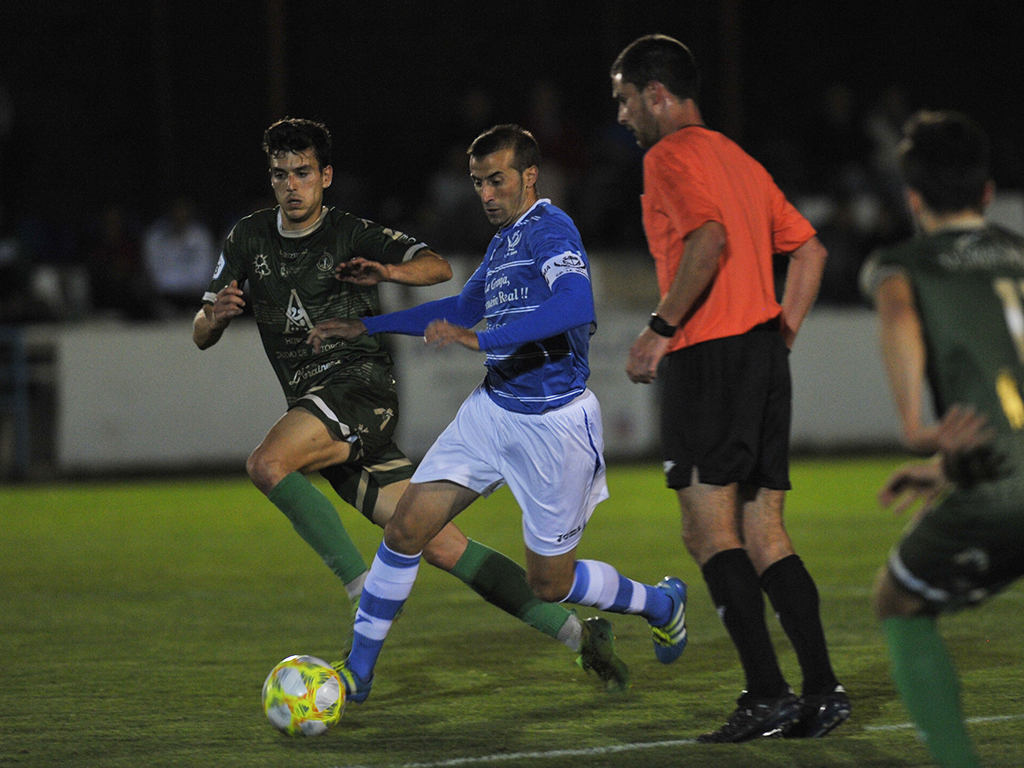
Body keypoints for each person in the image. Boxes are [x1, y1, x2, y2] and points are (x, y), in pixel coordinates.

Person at [192, 118, 627, 693]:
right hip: (316, 405)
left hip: (358, 389)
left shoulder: (352, 231)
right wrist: (215, 318)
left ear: (325, 176)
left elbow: (439, 268)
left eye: (303, 173)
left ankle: (359, 591)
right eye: (280, 175)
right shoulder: (247, 238)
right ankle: (576, 635)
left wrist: (394, 275)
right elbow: (200, 332)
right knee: (436, 543)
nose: (292, 186)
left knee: (267, 464)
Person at [311, 124, 689, 704]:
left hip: (553, 425)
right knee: (407, 526)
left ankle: (661, 602)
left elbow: (575, 303)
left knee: (550, 583)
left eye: (497, 180)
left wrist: (486, 340)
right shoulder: (504, 242)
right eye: (477, 183)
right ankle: (358, 674)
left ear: (528, 176)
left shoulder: (549, 228)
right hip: (492, 409)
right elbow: (463, 307)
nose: (486, 194)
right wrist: (370, 323)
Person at [610, 34, 848, 742]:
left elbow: (706, 242)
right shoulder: (739, 159)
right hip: (763, 357)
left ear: (657, 94)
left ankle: (767, 693)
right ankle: (822, 692)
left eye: (624, 100)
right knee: (764, 530)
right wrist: (784, 334)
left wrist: (659, 327)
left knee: (706, 529)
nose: (621, 116)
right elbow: (809, 248)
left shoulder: (669, 156)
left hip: (709, 358)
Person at [860, 110, 1024, 768]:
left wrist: (915, 428)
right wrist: (943, 469)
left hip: (1002, 482)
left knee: (897, 600)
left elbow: (898, 311)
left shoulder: (904, 262)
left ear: (914, 198)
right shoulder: (1017, 251)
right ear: (987, 193)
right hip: (995, 460)